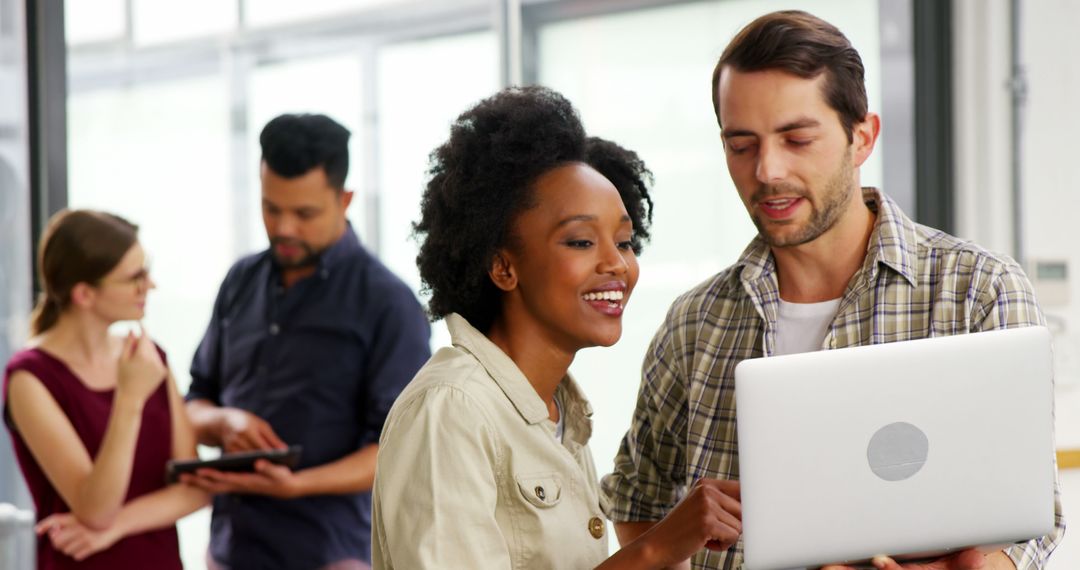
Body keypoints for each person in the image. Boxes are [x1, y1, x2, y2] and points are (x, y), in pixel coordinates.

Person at [600, 10, 1065, 570]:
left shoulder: (978, 291)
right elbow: (637, 505)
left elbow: (1030, 525)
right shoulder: (693, 325)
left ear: (862, 136)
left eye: (796, 139)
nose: (767, 170)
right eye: (741, 145)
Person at [371, 85, 743, 570]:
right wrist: (656, 546)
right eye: (581, 241)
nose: (617, 264)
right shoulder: (451, 410)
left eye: (625, 241)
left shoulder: (560, 413)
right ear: (503, 267)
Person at [182, 113, 431, 570]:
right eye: (271, 208)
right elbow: (193, 403)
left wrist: (299, 484)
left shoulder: (389, 304)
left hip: (331, 554)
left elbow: (399, 452)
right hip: (230, 551)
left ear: (345, 199)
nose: (284, 228)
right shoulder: (239, 281)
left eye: (304, 213)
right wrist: (223, 420)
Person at [2, 210, 208, 569]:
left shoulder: (148, 358)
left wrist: (115, 528)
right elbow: (96, 509)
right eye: (135, 278)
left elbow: (196, 487)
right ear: (84, 294)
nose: (150, 286)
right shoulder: (30, 378)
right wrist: (128, 399)